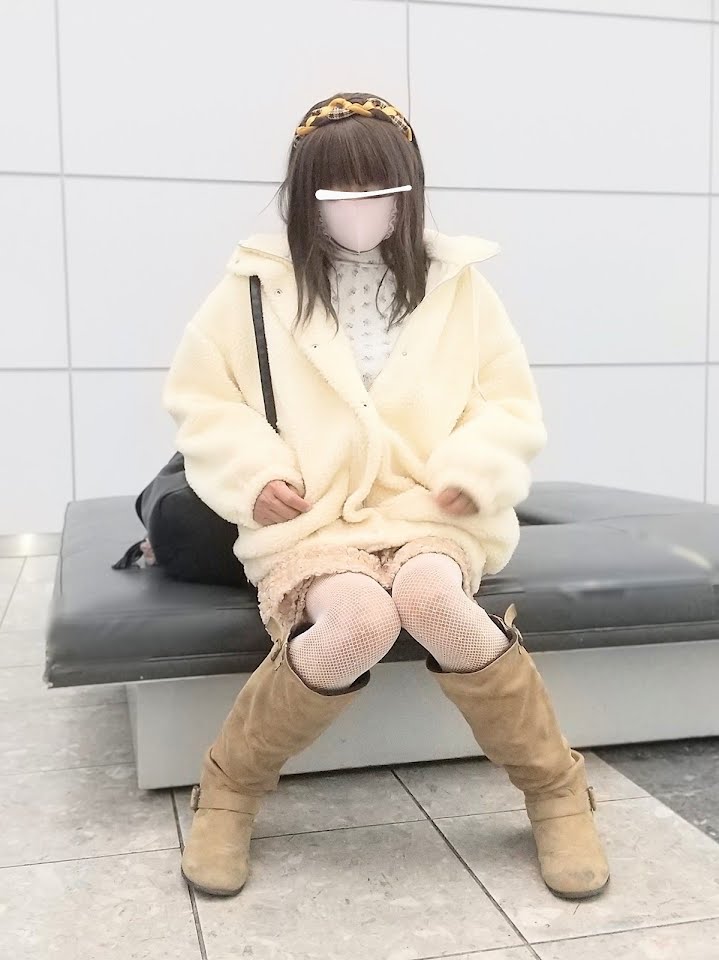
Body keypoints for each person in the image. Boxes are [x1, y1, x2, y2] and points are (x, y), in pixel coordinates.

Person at [163, 92, 610, 901]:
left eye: (378, 189)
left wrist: (472, 469)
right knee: (359, 622)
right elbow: (205, 399)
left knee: (433, 600)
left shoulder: (456, 284)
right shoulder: (255, 285)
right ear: (305, 194)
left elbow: (505, 402)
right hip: (312, 517)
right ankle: (227, 791)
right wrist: (254, 472)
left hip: (427, 508)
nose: (359, 207)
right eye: (337, 191)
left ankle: (556, 791)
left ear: (408, 190)